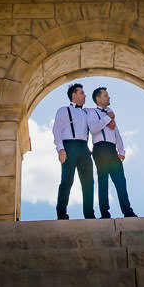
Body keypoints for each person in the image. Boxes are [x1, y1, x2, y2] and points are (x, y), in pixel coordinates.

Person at [87, 86, 137, 218]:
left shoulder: (110, 112)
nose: (109, 97)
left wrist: (121, 150)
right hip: (100, 148)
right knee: (103, 182)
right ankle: (104, 213)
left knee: (121, 181)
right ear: (98, 99)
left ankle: (128, 211)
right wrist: (107, 119)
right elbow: (93, 129)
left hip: (112, 150)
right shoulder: (92, 113)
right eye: (105, 95)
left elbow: (116, 132)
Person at [51, 82, 96, 219]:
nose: (85, 95)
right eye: (82, 92)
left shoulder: (87, 112)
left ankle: (89, 214)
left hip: (84, 148)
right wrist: (60, 149)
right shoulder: (63, 110)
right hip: (69, 147)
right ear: (73, 95)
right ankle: (61, 213)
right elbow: (57, 130)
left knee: (88, 182)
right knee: (66, 181)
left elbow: (101, 114)